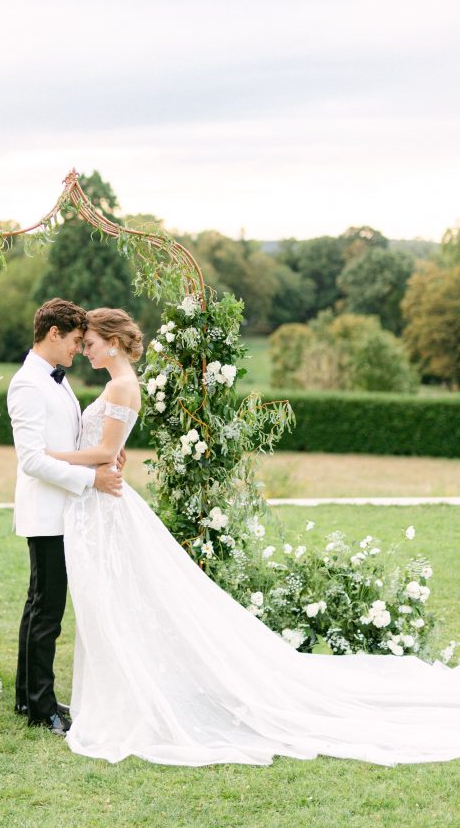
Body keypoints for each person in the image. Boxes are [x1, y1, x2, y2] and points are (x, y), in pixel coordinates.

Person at [48, 306, 460, 766]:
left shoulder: (122, 385)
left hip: (104, 509)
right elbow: (108, 449)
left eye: (90, 343)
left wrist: (49, 454)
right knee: (106, 603)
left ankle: (130, 698)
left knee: (115, 602)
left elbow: (106, 449)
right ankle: (118, 692)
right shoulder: (113, 384)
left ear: (114, 342)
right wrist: (99, 457)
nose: (84, 350)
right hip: (96, 505)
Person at [7, 298, 123, 736]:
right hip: (47, 511)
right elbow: (32, 460)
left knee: (38, 604)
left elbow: (68, 436)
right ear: (53, 333)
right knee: (48, 612)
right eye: (75, 341)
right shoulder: (27, 385)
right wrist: (91, 480)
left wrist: (103, 453)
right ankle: (41, 708)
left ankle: (28, 695)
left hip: (62, 510)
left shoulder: (54, 381)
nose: (78, 350)